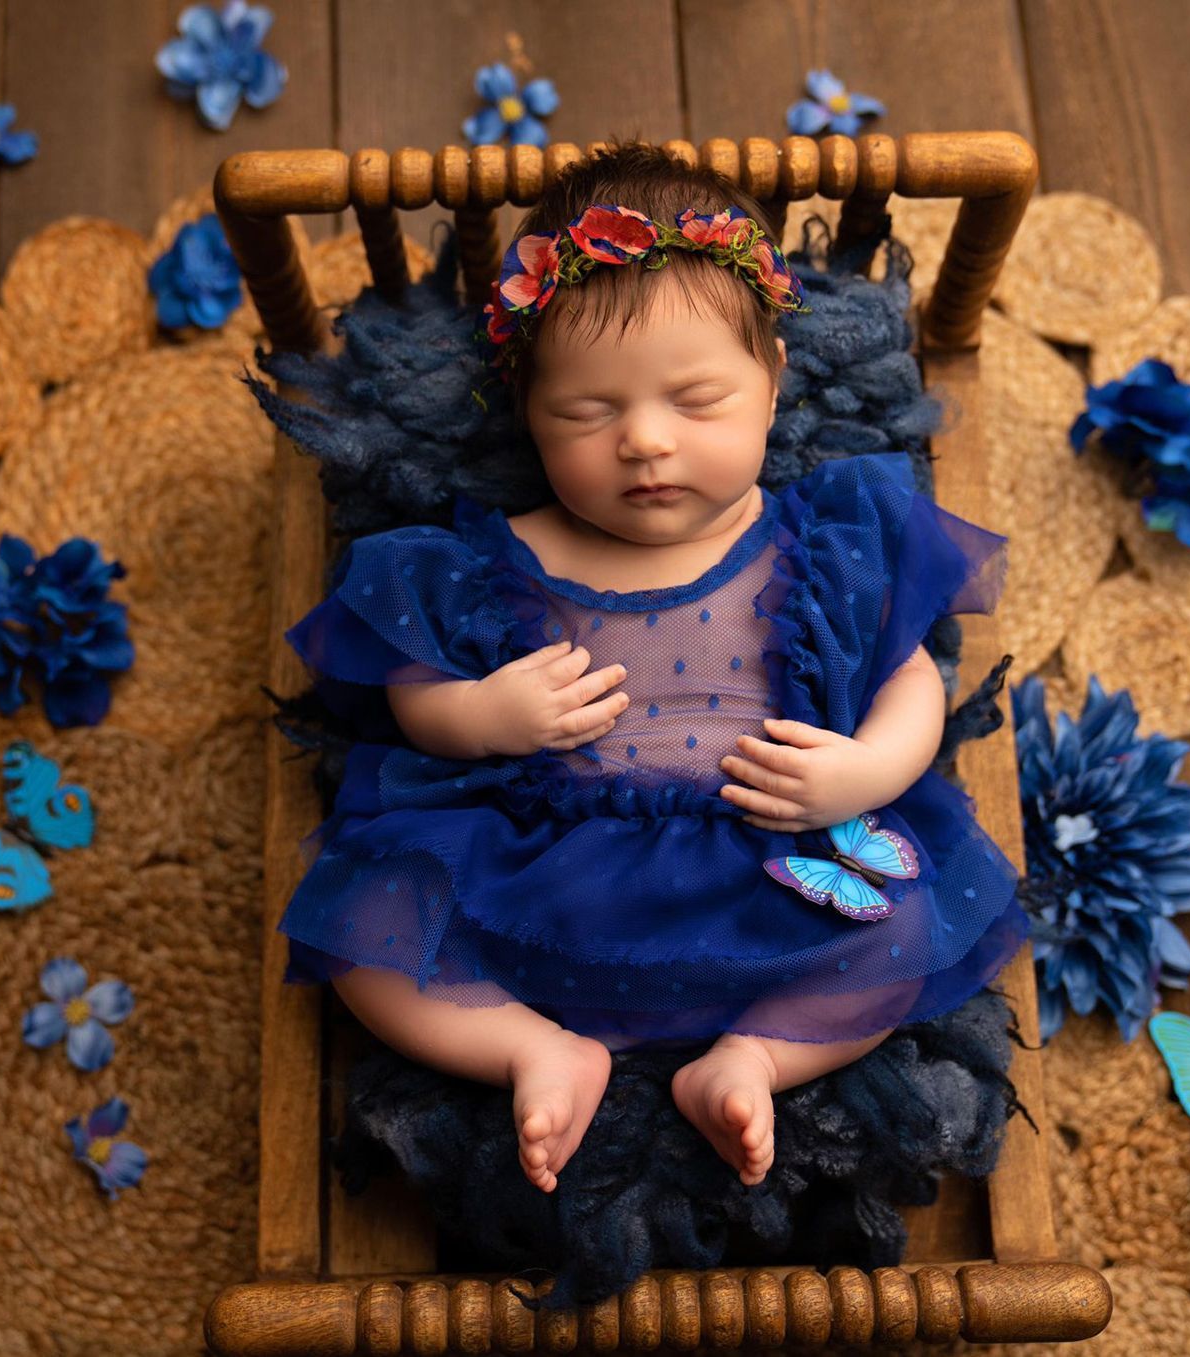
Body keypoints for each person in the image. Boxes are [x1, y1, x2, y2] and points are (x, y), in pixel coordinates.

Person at [277, 142, 1025, 1197]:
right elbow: (412, 697)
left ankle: (752, 1059)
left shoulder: (829, 540)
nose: (643, 441)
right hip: (543, 874)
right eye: (586, 412)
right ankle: (536, 1048)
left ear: (770, 386)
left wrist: (867, 773)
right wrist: (483, 713)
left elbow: (912, 679)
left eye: (696, 400)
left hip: (770, 866)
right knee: (366, 928)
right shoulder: (494, 557)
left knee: (905, 924)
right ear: (528, 409)